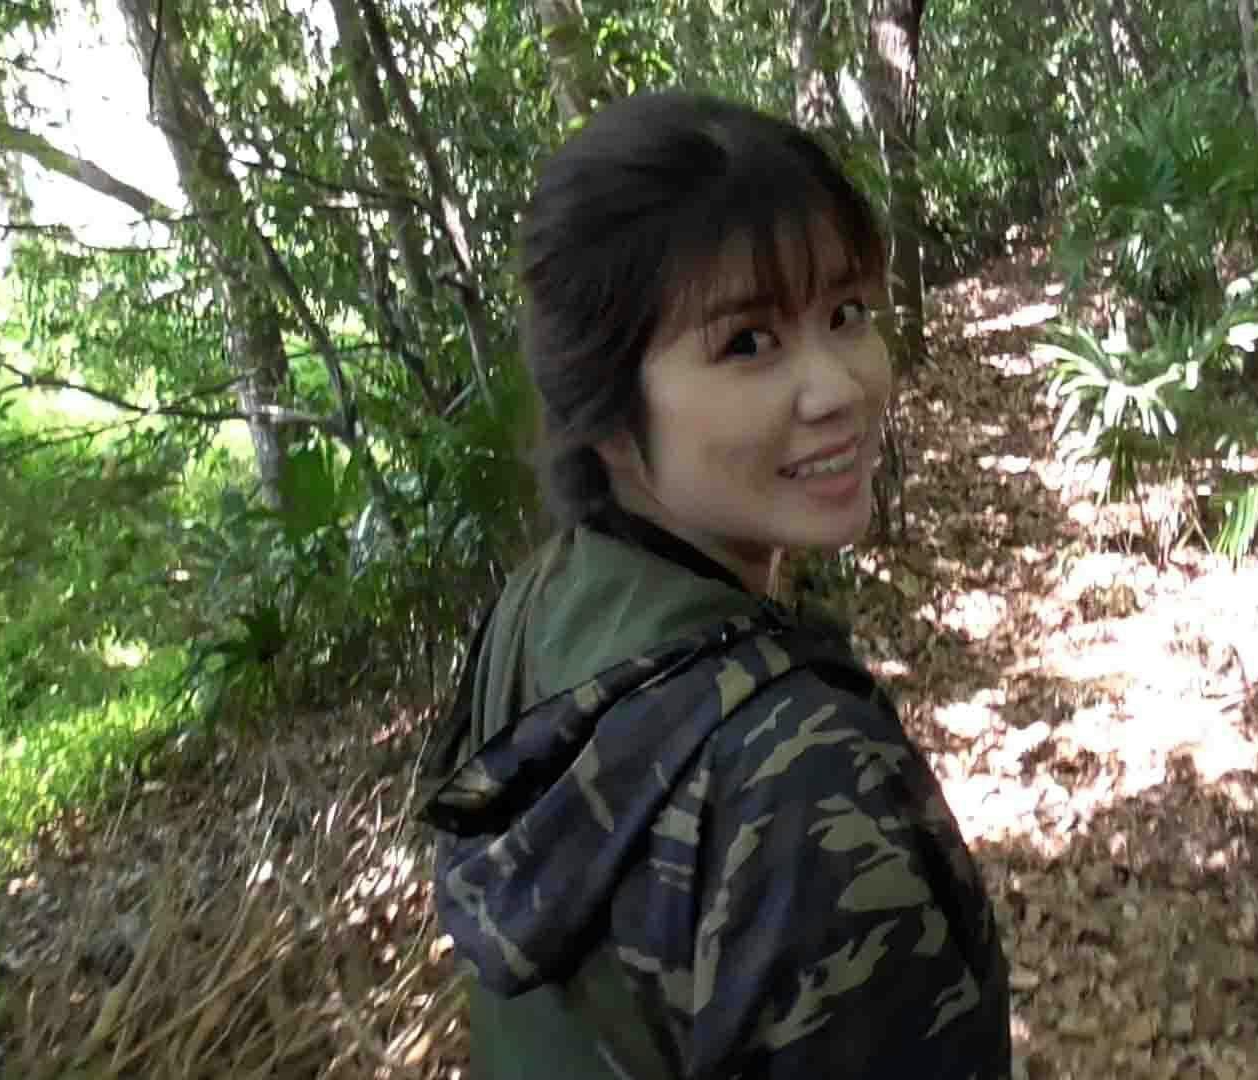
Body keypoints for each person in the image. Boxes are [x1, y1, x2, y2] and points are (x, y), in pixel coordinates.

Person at [420, 90, 1013, 1079]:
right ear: (608, 411)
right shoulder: (801, 782)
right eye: (748, 342)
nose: (840, 388)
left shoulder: (538, 608)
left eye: (846, 314)